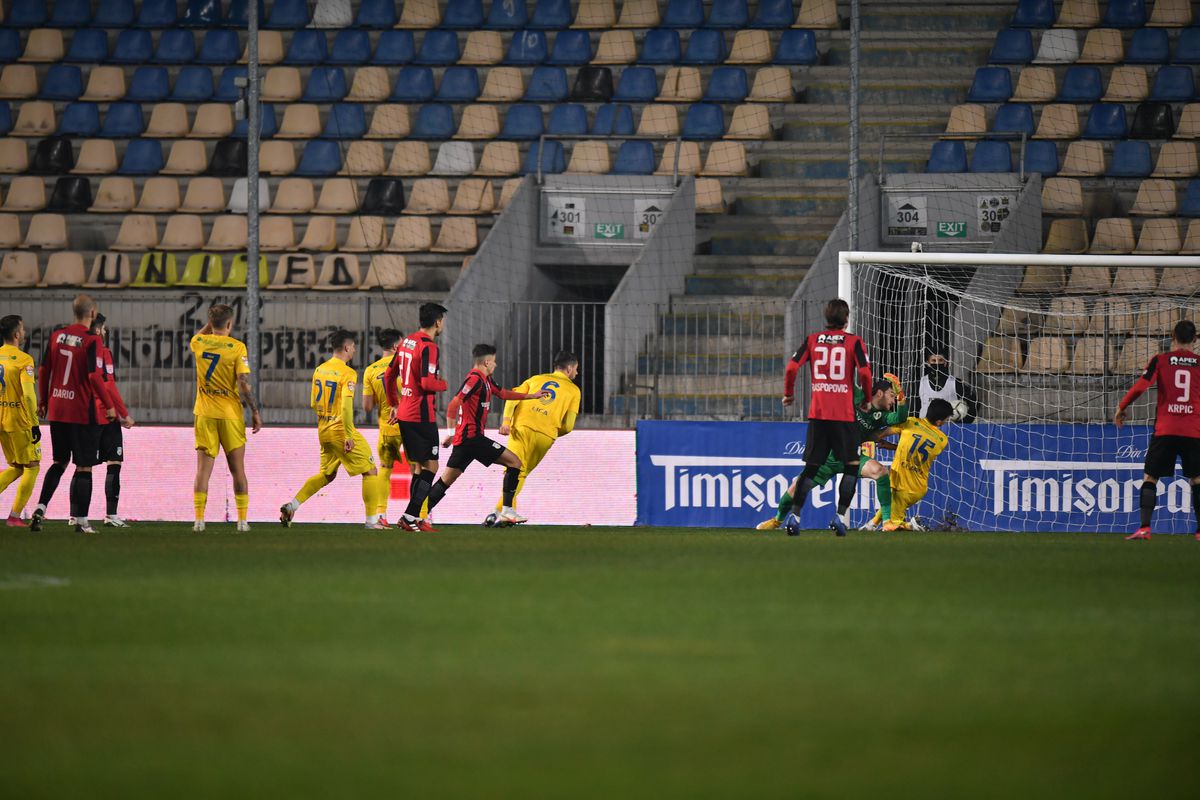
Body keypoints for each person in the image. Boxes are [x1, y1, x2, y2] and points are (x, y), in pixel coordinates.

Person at [419, 344, 548, 524]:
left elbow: (503, 394)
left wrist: (532, 396)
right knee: (515, 462)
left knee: (446, 480)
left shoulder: (486, 380)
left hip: (465, 442)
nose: (495, 365)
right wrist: (449, 433)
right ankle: (508, 511)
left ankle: (417, 514)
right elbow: (452, 406)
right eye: (494, 362)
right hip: (472, 438)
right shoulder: (474, 379)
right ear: (487, 362)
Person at [758, 377, 906, 532]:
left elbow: (900, 418)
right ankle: (776, 521)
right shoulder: (859, 396)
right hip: (828, 456)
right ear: (880, 393)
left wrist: (901, 396)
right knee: (796, 488)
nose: (893, 400)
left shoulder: (882, 416)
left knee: (880, 471)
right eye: (891, 394)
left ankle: (887, 522)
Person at [782, 298, 873, 537]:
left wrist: (788, 394)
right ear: (846, 318)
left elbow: (791, 367)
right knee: (851, 467)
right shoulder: (853, 342)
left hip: (818, 415)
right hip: (843, 415)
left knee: (811, 469)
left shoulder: (812, 340)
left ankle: (795, 516)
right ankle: (840, 517)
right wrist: (867, 399)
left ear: (826, 316)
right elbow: (865, 372)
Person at [280, 330, 387, 530]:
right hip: (340, 429)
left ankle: (292, 505)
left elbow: (313, 402)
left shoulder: (319, 369)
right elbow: (346, 407)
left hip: (323, 429)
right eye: (353, 346)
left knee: (327, 475)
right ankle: (372, 522)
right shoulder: (348, 373)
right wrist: (348, 435)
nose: (354, 350)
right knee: (371, 470)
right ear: (347, 347)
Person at [31, 294, 118, 534]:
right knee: (84, 467)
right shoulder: (92, 340)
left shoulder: (57, 335)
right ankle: (81, 521)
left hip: (57, 408)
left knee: (59, 461)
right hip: (81, 411)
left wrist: (43, 400)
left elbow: (44, 368)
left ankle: (40, 507)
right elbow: (93, 376)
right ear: (92, 314)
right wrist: (109, 405)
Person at [1113, 319, 1200, 541]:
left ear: (1172, 336)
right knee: (1197, 479)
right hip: (1193, 430)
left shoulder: (1161, 360)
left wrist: (1122, 407)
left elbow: (1141, 386)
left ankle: (1144, 528)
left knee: (1150, 477)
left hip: (1165, 429)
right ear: (1195, 339)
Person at [191, 304, 262, 533]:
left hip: (205, 414)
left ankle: (199, 521)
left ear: (211, 324)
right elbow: (243, 382)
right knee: (238, 469)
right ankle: (242, 521)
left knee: (203, 471)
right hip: (230, 415)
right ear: (230, 324)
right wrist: (255, 411)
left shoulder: (199, 343)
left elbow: (199, 335)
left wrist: (210, 325)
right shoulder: (237, 347)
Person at [493, 350, 581, 523]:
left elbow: (512, 399)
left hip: (521, 428)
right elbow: (569, 426)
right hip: (545, 435)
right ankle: (499, 513)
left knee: (514, 471)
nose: (577, 373)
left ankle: (501, 513)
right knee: (521, 474)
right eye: (576, 369)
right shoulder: (574, 391)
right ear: (569, 368)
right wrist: (553, 432)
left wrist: (506, 422)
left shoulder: (535, 379)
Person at [384, 303, 448, 532]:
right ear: (438, 322)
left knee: (420, 467)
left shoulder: (406, 343)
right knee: (432, 465)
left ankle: (415, 519)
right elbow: (427, 383)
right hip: (421, 415)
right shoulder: (429, 347)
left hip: (404, 413)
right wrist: (444, 384)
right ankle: (411, 516)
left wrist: (394, 403)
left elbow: (388, 375)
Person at [89, 314, 135, 528]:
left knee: (82, 466)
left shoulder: (80, 353)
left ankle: (75, 515)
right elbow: (108, 386)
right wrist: (123, 413)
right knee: (114, 464)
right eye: (103, 328)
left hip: (85, 415)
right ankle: (111, 515)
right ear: (98, 330)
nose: (105, 332)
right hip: (105, 415)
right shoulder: (103, 353)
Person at [883, 398, 955, 531]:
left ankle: (912, 526)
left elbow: (886, 434)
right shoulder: (942, 440)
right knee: (887, 508)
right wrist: (891, 446)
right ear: (939, 421)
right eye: (946, 419)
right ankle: (870, 525)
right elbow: (916, 450)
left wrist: (871, 438)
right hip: (919, 486)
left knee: (890, 525)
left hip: (902, 483)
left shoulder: (910, 422)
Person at [0, 315, 41, 527]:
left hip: (1, 420)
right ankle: (15, 517)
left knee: (16, 466)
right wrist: (35, 423)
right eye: (23, 330)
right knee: (32, 466)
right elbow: (28, 395)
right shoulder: (25, 360)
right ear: (17, 335)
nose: (24, 333)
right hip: (19, 421)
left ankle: (14, 516)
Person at [362, 327, 404, 527]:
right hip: (409, 425)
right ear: (396, 346)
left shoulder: (370, 370)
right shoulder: (405, 366)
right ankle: (420, 515)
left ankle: (380, 515)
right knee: (419, 469)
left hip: (387, 427)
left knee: (385, 469)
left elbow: (367, 407)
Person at [914, 349, 977, 423]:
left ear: (945, 363)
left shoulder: (955, 382)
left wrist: (965, 421)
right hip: (925, 427)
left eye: (940, 360)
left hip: (948, 428)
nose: (937, 363)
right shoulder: (920, 382)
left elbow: (974, 401)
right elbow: (913, 406)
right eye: (933, 361)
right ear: (928, 363)